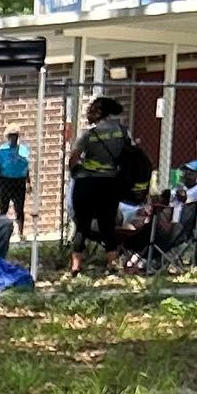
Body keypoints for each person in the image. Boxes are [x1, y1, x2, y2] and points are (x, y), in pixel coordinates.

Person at [67, 96, 127, 274]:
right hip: (109, 184)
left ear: (100, 112)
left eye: (91, 110)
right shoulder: (122, 132)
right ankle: (112, 264)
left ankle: (76, 266)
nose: (88, 113)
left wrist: (75, 172)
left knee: (82, 224)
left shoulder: (89, 135)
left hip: (86, 184)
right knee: (107, 224)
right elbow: (129, 154)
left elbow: (74, 158)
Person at [0, 128, 31, 222]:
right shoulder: (2, 151)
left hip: (19, 180)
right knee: (3, 207)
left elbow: (26, 166)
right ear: (7, 137)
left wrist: (28, 182)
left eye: (15, 136)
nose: (13, 138)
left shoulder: (23, 150)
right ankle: (1, 227)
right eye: (11, 136)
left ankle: (21, 232)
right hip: (5, 179)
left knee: (19, 208)